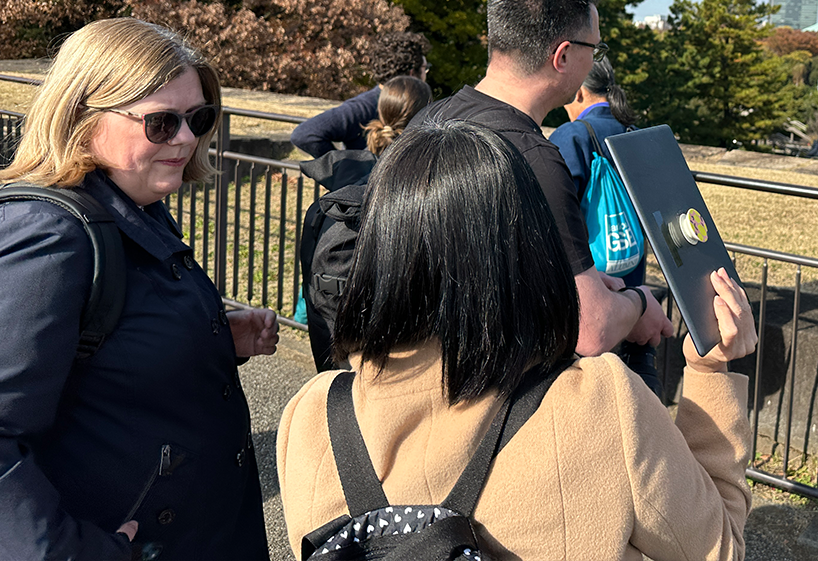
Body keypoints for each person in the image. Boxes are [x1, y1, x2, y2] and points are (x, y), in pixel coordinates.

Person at [276, 119, 757, 560]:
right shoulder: (600, 403)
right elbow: (720, 549)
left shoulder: (312, 414)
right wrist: (710, 372)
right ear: (529, 248)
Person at [0, 18, 276, 560]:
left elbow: (111, 346)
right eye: (161, 122)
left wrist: (212, 332)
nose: (187, 138)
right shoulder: (51, 234)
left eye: (199, 118)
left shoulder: (137, 208)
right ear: (83, 116)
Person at [412, 0, 673, 359]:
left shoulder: (427, 121)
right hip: (496, 392)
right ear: (564, 55)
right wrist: (639, 301)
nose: (594, 59)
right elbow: (592, 329)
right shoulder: (534, 159)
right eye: (595, 48)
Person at [298, 74, 432, 372]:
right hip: (389, 354)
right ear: (425, 116)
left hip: (331, 343)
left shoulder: (347, 176)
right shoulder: (417, 187)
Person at [549, 58, 661, 391]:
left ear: (580, 93)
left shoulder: (572, 137)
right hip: (632, 277)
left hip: (591, 287)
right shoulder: (634, 132)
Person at [291, 31, 431, 157]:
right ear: (412, 73)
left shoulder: (367, 104)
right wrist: (345, 172)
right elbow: (305, 134)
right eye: (425, 68)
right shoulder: (363, 107)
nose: (426, 74)